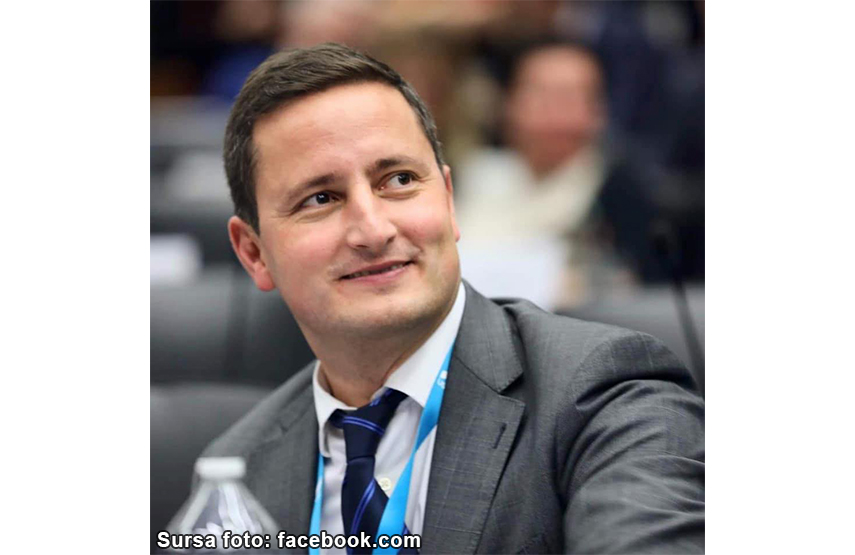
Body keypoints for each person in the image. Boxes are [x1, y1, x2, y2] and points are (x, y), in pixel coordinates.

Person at [204, 43, 703, 553]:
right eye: (320, 199)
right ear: (254, 253)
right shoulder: (236, 468)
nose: (373, 230)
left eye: (399, 180)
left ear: (447, 199)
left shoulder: (602, 394)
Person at [455, 41, 665, 308]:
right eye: (541, 94)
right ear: (509, 102)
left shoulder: (621, 193)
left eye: (570, 96)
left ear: (599, 111)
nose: (555, 110)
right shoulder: (475, 175)